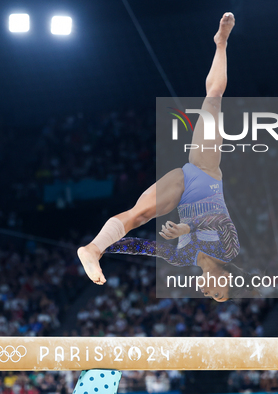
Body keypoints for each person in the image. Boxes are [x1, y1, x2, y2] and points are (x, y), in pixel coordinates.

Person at [78, 12, 252, 301]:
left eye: (211, 297)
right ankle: (221, 43)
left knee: (140, 215)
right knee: (214, 98)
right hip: (204, 172)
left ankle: (93, 249)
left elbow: (141, 247)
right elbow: (220, 224)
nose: (209, 293)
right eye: (220, 294)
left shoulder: (182, 257)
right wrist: (189, 227)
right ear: (229, 278)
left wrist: (111, 249)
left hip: (181, 189)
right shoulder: (229, 251)